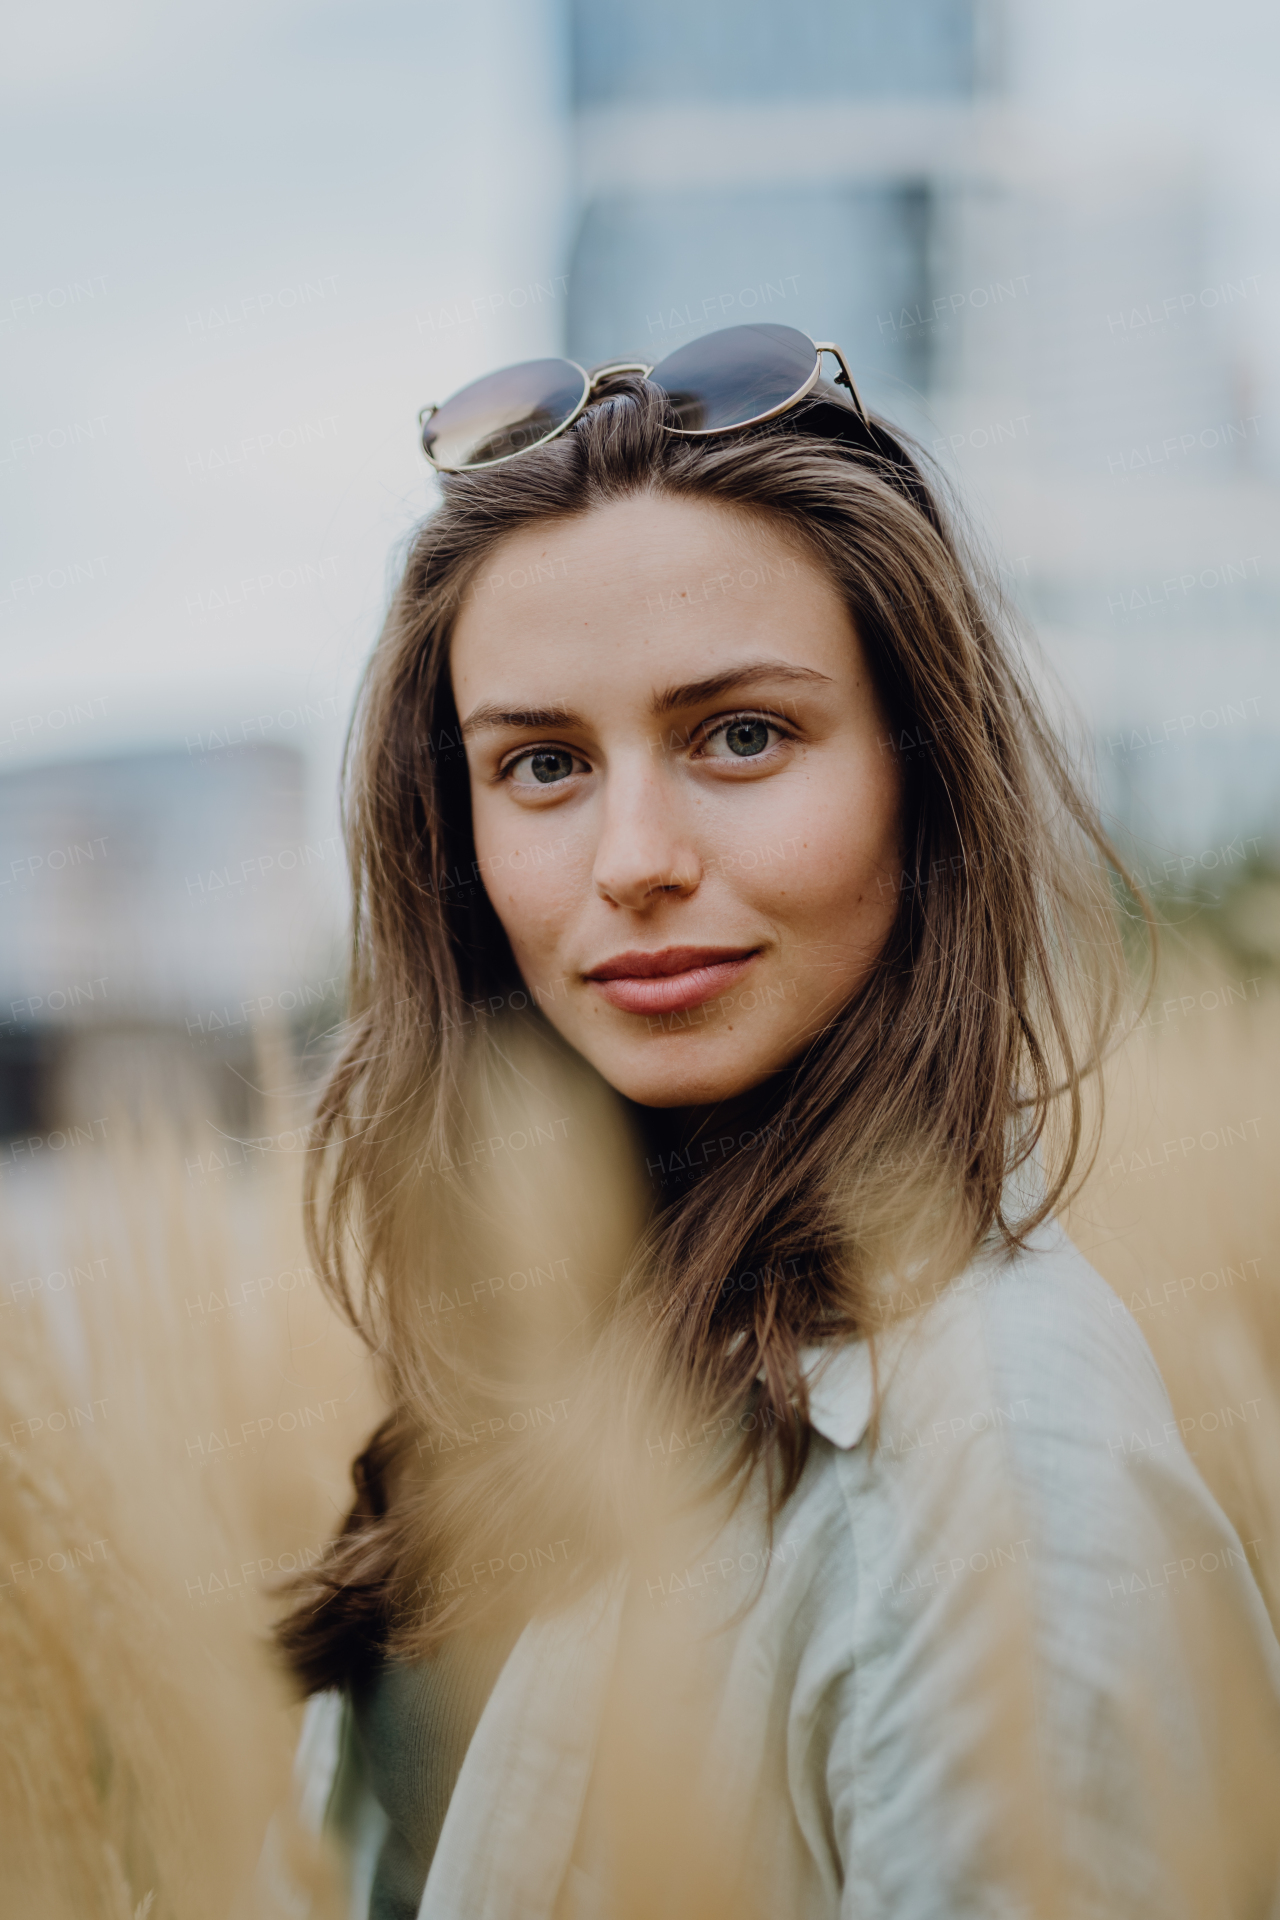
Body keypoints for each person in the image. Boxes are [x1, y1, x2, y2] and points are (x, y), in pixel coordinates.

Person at [269, 324, 1280, 1919]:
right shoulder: (528, 1385)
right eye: (540, 764)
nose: (635, 858)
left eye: (742, 735)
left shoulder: (1004, 1474)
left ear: (921, 778)